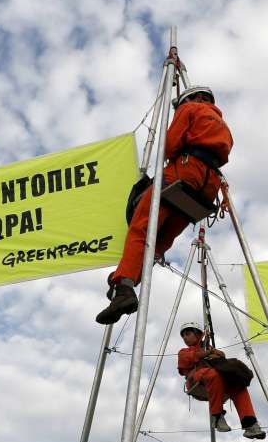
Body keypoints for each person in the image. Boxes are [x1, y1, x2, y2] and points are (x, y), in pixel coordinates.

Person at [96, 85, 233, 324]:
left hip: (186, 171)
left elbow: (169, 146)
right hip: (209, 187)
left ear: (191, 98)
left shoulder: (190, 108)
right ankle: (127, 281)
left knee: (141, 227)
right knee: (160, 242)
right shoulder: (223, 125)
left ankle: (123, 285)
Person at [177, 321, 265, 439]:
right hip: (196, 382)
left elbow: (220, 362)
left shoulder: (209, 348)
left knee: (238, 386)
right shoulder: (184, 352)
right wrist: (206, 352)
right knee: (213, 374)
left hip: (216, 384)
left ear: (197, 334)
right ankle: (217, 416)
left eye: (188, 334)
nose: (185, 338)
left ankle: (250, 423)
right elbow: (190, 358)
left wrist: (216, 353)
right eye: (183, 336)